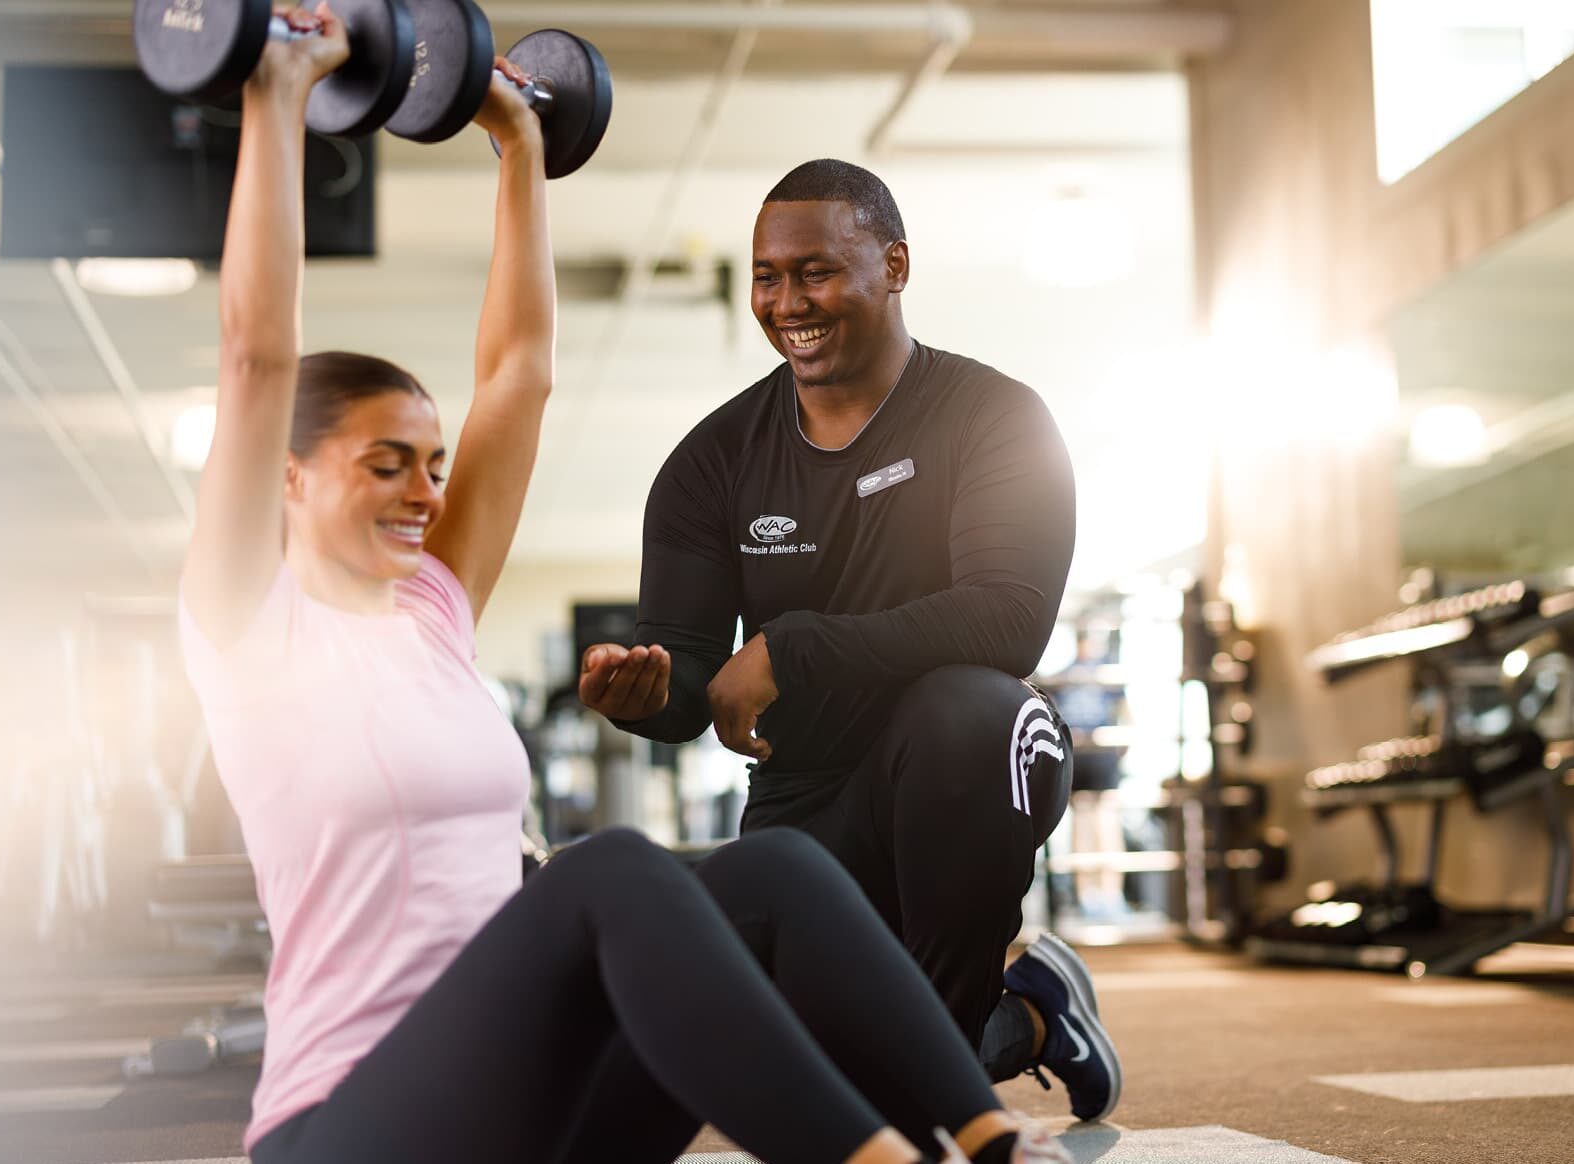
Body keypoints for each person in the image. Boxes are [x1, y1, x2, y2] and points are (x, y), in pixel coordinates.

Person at [178, 10, 1069, 1163]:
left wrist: (519, 147)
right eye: (384, 465)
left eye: (434, 465)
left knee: (775, 871)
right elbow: (254, 357)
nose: (423, 492)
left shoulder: (433, 615)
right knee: (606, 875)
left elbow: (520, 374)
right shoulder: (247, 628)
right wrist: (277, 95)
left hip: (528, 1120)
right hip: (353, 1129)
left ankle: (991, 1140)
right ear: (288, 479)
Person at [577, 158, 1122, 1122]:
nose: (789, 301)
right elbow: (693, 670)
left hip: (978, 763)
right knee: (776, 1062)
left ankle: (944, 1101)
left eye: (817, 271)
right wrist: (647, 691)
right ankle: (1035, 1016)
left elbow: (1009, 615)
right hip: (805, 792)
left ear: (895, 265)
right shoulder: (713, 463)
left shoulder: (995, 417)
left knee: (967, 708)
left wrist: (794, 647)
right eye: (768, 277)